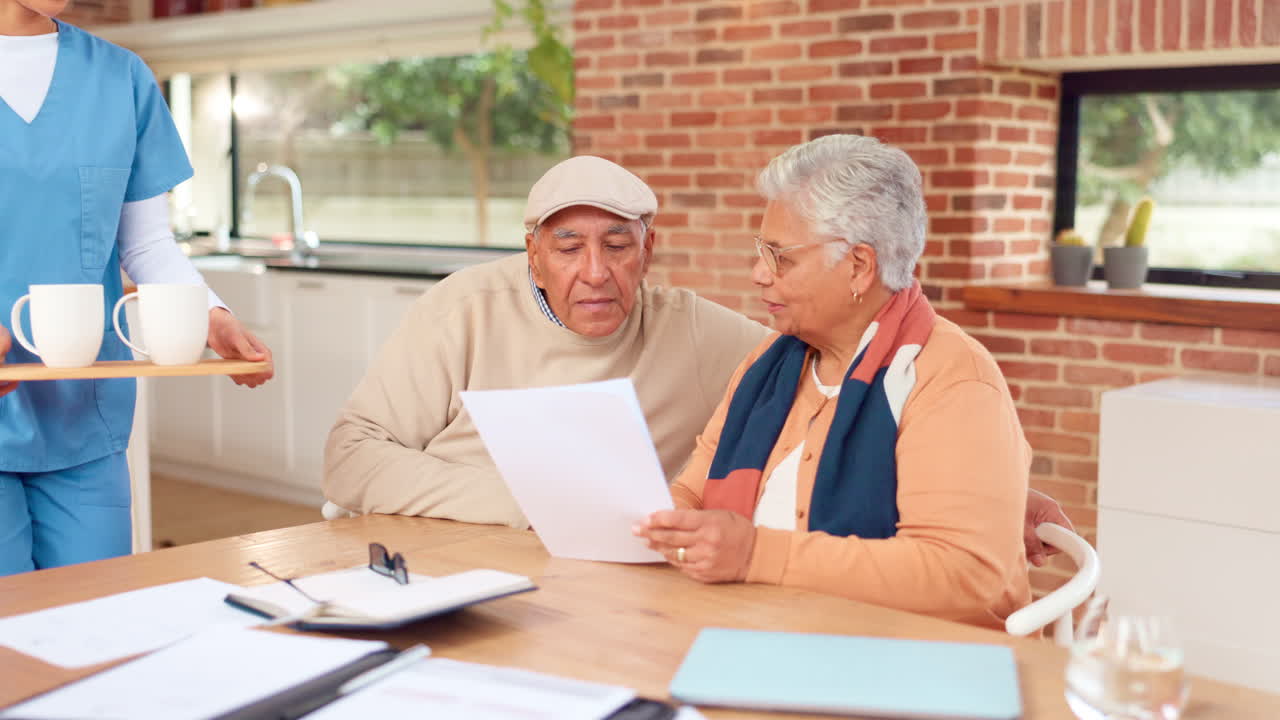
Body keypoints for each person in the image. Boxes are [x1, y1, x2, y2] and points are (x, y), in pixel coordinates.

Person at [323, 154, 1074, 561]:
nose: (595, 271)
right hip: (453, 553)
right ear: (533, 252)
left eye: (618, 246)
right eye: (568, 246)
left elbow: (846, 383)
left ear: (650, 251)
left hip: (617, 575)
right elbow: (349, 458)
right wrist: (529, 504)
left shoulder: (727, 344)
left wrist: (998, 488)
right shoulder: (464, 310)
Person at [634, 135, 1034, 629]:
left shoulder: (954, 380)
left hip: (905, 663)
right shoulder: (769, 363)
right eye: (762, 251)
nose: (759, 273)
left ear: (859, 266)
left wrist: (755, 554)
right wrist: (659, 526)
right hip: (752, 630)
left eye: (782, 257)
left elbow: (965, 575)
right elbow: (693, 494)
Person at [0, 0, 274, 575]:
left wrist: (212, 316)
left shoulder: (120, 77)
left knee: (97, 617)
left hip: (84, 416)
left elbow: (146, 245)